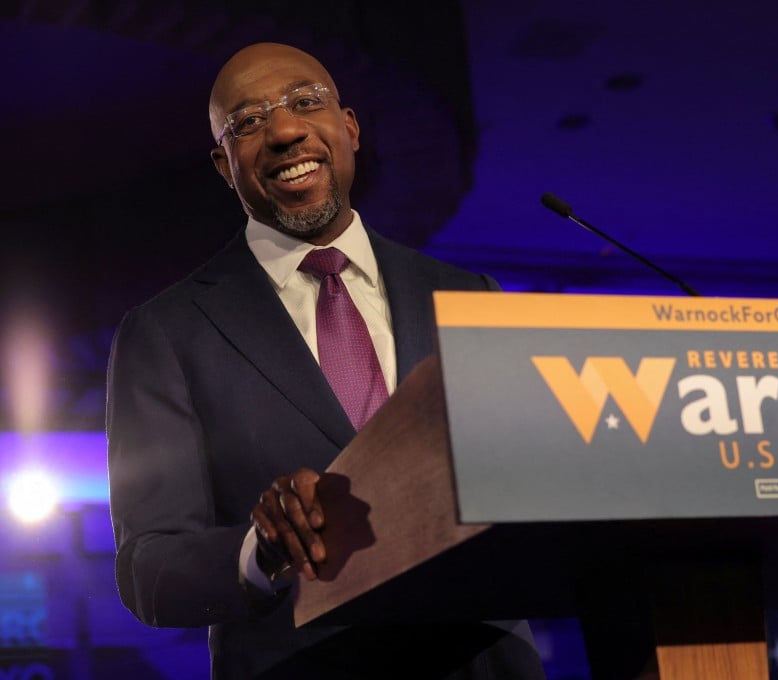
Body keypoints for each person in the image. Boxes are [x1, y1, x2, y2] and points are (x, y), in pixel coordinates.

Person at [106, 42, 547, 679]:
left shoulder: (468, 296)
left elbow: (527, 488)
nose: (285, 131)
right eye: (248, 122)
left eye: (306, 103)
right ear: (224, 166)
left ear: (351, 128)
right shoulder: (166, 332)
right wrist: (262, 549)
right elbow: (148, 568)